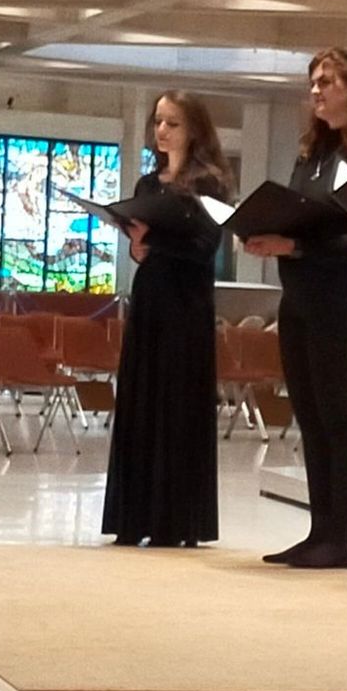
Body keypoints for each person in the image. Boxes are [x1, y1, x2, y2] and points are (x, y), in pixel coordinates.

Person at [244, 48, 347, 570]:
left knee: (338, 414)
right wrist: (268, 233)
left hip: (341, 295)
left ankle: (341, 535)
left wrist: (292, 246)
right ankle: (318, 529)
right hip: (301, 295)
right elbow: (302, 216)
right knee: (308, 415)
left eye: (326, 81)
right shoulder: (312, 155)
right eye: (312, 81)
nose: (315, 90)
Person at [104, 91, 232, 548]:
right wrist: (139, 247)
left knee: (177, 405)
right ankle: (134, 517)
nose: (161, 130)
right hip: (151, 299)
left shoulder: (209, 185)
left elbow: (204, 249)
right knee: (141, 398)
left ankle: (174, 521)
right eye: (158, 121)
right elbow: (142, 250)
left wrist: (154, 241)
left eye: (172, 123)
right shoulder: (147, 185)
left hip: (186, 305)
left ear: (194, 129)